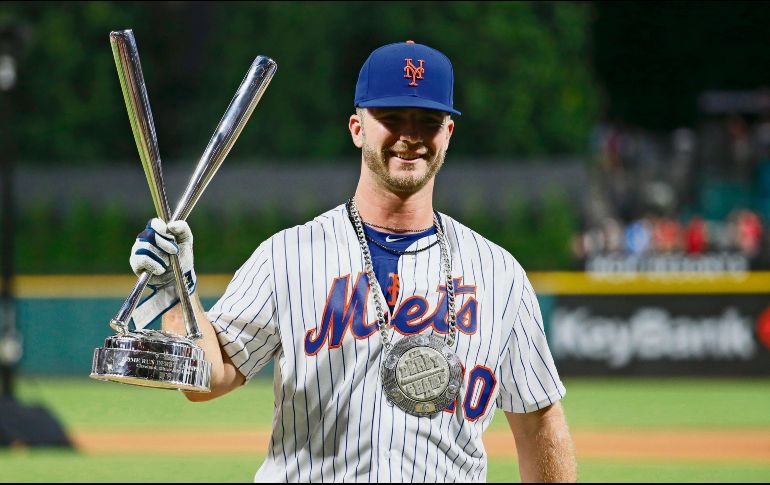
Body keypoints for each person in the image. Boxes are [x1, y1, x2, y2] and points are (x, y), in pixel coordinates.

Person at [130, 40, 577, 483]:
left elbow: (540, 422)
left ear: (448, 134)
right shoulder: (287, 255)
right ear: (357, 128)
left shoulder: (500, 274)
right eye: (391, 117)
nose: (410, 134)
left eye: (428, 120)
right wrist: (176, 291)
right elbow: (208, 379)